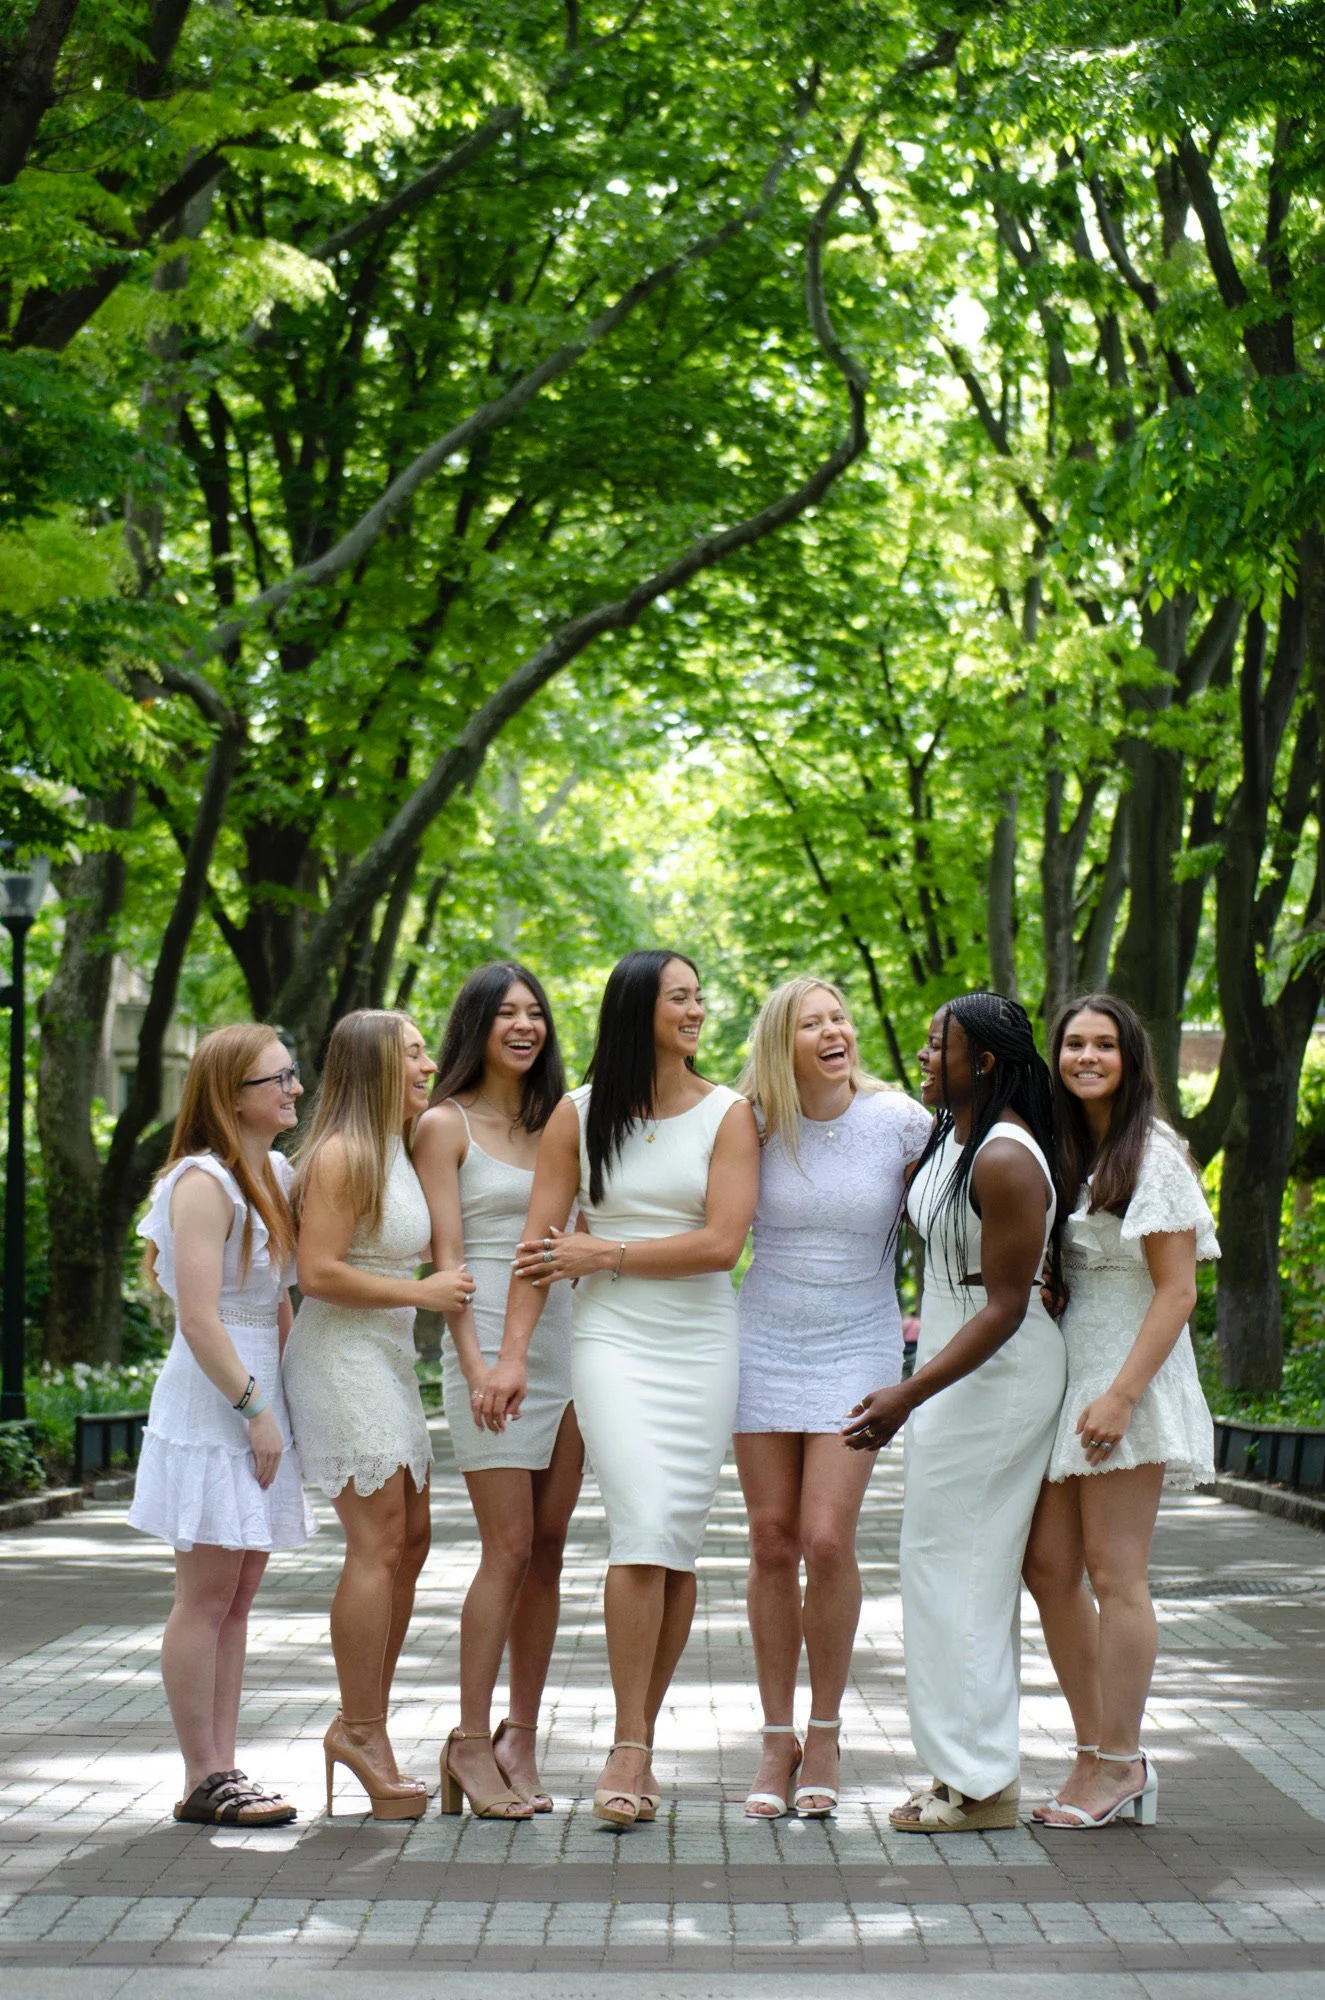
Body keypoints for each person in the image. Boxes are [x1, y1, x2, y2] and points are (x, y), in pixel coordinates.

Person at [496, 949, 759, 1828]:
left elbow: (722, 1243)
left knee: (672, 1539)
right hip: (608, 1339)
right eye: (678, 997)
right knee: (639, 1522)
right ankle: (625, 1749)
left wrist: (604, 1251)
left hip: (698, 1339)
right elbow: (538, 1254)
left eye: (698, 996)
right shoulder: (574, 1117)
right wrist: (511, 1358)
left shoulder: (729, 1115)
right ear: (637, 1008)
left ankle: (636, 1739)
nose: (695, 1009)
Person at [843, 991, 1066, 1834]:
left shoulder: (1005, 1158)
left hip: (995, 1382)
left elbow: (1007, 1307)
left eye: (942, 1045)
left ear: (986, 1061)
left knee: (962, 1575)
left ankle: (977, 1784)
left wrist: (906, 1393)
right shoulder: (954, 1140)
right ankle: (965, 1770)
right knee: (941, 1571)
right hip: (956, 1372)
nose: (926, 1055)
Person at [734, 976, 930, 1819]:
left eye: (838, 1018)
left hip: (858, 1342)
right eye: (811, 1023)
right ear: (783, 1043)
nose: (831, 1031)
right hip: (762, 1342)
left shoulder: (898, 1121)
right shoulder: (750, 1122)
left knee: (824, 1538)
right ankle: (775, 1738)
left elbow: (955, 1212)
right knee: (771, 1542)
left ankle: (825, 1731)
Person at [1021, 994, 1217, 1831]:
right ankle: (1095, 1748)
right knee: (1045, 1569)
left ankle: (1120, 1761)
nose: (1087, 1057)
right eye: (1073, 1043)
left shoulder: (1155, 1156)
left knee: (1114, 1571)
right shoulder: (1065, 1149)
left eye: (1104, 1044)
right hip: (1071, 1374)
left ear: (1132, 1060)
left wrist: (1122, 1394)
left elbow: (1177, 1290)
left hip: (1127, 1375)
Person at [284, 1009, 474, 1821]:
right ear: (371, 1067)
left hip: (387, 1357)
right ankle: (360, 1730)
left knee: (413, 1538)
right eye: (413, 1054)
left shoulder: (399, 1148)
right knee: (379, 1541)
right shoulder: (341, 1154)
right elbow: (317, 1271)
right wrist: (420, 1292)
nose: (429, 1064)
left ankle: (364, 1721)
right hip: (340, 1356)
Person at [129, 1023, 316, 1826]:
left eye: (293, 1075)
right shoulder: (202, 1183)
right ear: (230, 1095)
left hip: (259, 1397)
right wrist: (256, 1411)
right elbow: (201, 1319)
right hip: (215, 1401)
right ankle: (201, 1776)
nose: (294, 1090)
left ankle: (226, 1765)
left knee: (238, 1599)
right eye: (278, 1079)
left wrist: (290, 1405)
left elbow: (277, 1301)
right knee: (204, 1597)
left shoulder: (274, 1172)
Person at [412, 963, 582, 1821]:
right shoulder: (442, 1124)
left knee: (550, 1546)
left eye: (535, 1013)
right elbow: (447, 1260)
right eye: (507, 1013)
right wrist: (477, 1364)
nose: (525, 1026)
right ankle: (468, 1740)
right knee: (507, 1547)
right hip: (485, 1347)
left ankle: (520, 1734)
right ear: (475, 1024)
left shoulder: (563, 1119)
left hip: (568, 1346)